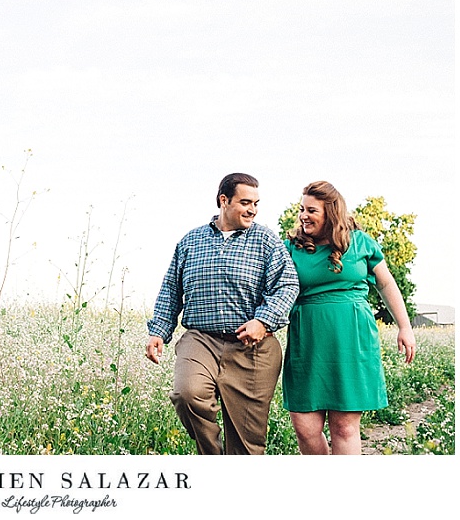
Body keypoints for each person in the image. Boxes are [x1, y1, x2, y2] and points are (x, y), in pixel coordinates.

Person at [145, 173, 299, 455]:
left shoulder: (266, 240)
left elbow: (287, 284)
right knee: (186, 394)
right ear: (223, 201)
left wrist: (263, 322)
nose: (252, 209)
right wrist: (159, 332)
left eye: (256, 203)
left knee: (246, 444)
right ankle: (212, 458)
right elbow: (170, 288)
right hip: (201, 339)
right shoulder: (191, 241)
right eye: (245, 202)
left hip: (252, 347)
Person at [282, 181, 417, 455]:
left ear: (330, 212)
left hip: (352, 337)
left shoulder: (361, 242)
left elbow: (387, 285)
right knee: (305, 426)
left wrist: (405, 326)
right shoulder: (291, 247)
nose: (303, 216)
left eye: (311, 210)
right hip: (307, 338)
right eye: (301, 209)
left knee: (344, 427)